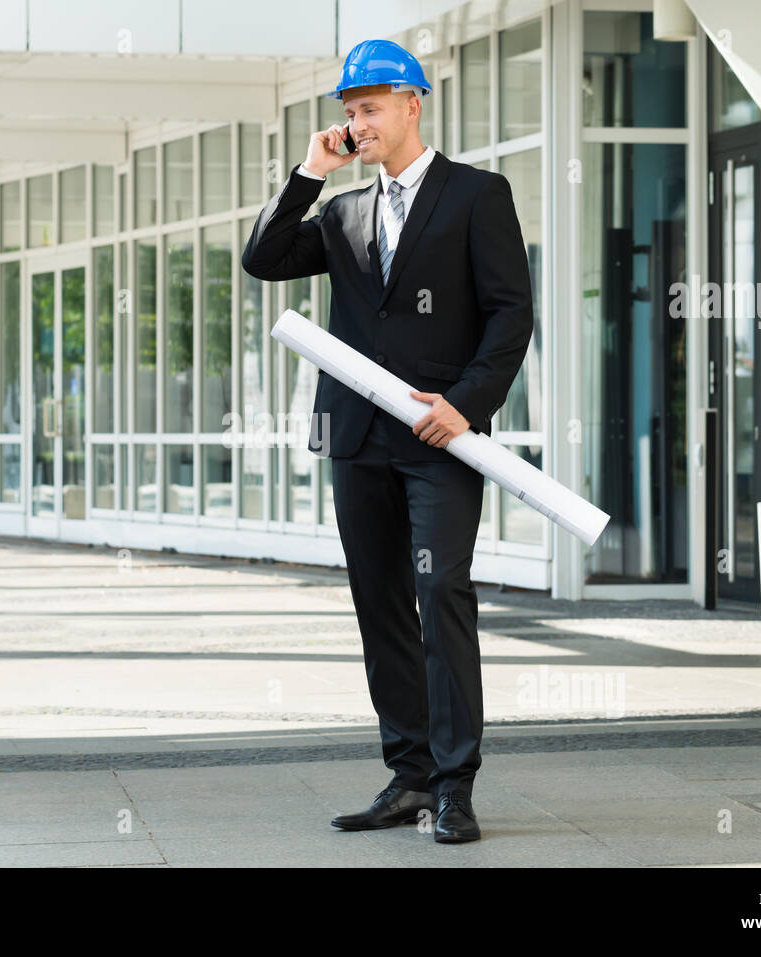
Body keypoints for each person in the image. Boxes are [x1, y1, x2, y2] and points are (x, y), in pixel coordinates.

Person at [241, 39, 535, 844]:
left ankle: (455, 785)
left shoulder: (478, 194)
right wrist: (311, 172)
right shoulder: (340, 211)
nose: (357, 122)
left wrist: (468, 406)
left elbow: (512, 313)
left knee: (442, 597)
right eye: (348, 110)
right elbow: (261, 258)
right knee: (380, 605)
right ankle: (408, 774)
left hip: (440, 441)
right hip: (356, 436)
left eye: (370, 107)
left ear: (413, 104)